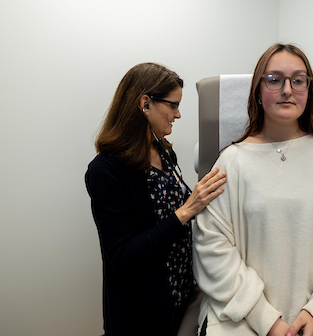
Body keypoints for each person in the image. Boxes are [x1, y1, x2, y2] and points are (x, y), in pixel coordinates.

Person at [192, 44, 313, 336]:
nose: (287, 89)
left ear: (309, 90)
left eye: (298, 80)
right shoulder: (231, 162)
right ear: (258, 89)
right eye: (274, 79)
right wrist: (265, 319)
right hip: (244, 318)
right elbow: (212, 246)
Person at [85, 63, 227, 336]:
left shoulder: (164, 153)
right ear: (145, 103)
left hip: (182, 298)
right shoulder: (105, 171)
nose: (178, 114)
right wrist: (186, 211)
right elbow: (122, 255)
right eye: (173, 106)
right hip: (141, 314)